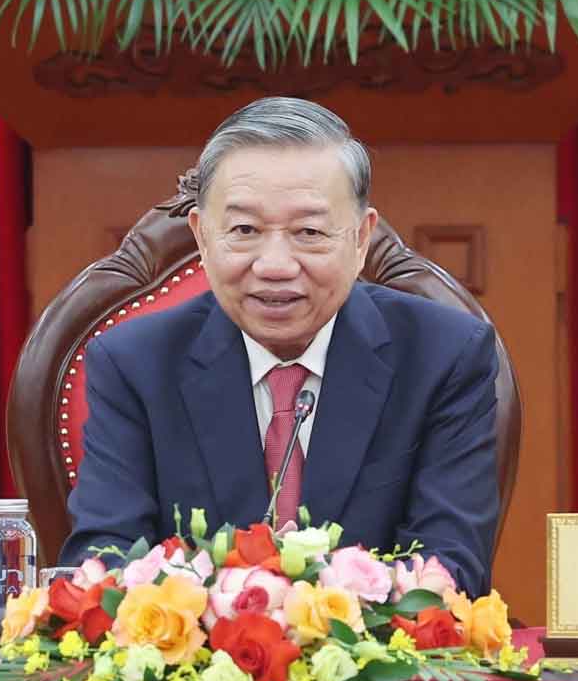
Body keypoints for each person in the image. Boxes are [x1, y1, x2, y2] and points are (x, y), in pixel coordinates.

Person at [60, 97, 500, 597]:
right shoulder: (135, 364)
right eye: (244, 230)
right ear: (202, 237)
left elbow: (447, 567)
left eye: (308, 232)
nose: (275, 265)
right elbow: (106, 563)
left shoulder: (444, 356)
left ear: (361, 239)